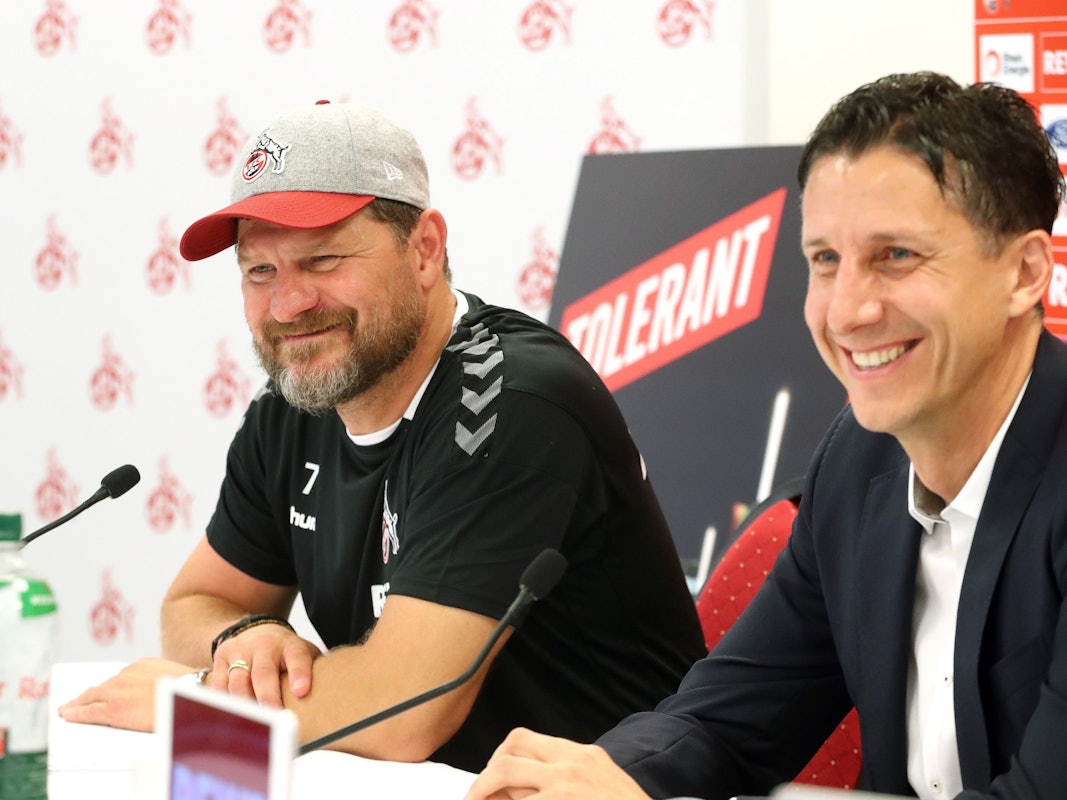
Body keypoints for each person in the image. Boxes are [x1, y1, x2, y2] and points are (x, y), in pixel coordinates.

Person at [464, 71, 1067, 800]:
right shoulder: (859, 461)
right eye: (824, 260)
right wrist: (606, 777)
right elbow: (727, 721)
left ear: (1025, 273)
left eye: (896, 256)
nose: (845, 311)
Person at [57, 100, 706, 773]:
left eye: (324, 259)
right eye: (260, 271)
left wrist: (187, 702)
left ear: (423, 250)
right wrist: (248, 637)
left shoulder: (509, 401)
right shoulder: (294, 405)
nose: (288, 305)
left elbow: (404, 710)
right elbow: (194, 604)